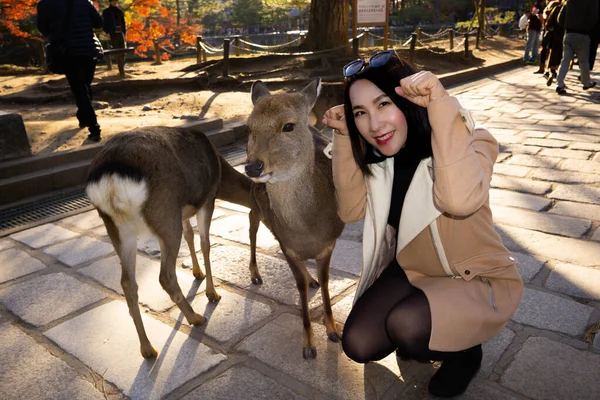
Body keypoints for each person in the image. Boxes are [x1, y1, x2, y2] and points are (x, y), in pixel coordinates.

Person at [322, 51, 523, 398]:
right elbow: (350, 211)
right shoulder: (381, 160)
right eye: (360, 113)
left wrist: (441, 106)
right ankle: (430, 328)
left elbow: (458, 201)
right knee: (358, 343)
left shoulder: (473, 141)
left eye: (383, 104)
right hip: (411, 269)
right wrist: (343, 138)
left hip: (471, 276)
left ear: (409, 99)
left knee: (407, 328)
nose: (374, 124)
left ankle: (464, 350)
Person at [37, 0, 103, 142]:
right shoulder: (84, 2)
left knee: (80, 90)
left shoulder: (45, 4)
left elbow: (42, 28)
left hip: (67, 52)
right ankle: (86, 119)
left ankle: (93, 126)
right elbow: (98, 23)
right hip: (88, 50)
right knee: (84, 87)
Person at [555, 0, 599, 95]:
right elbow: (594, 17)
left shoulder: (569, 2)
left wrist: (568, 25)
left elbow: (559, 19)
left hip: (569, 33)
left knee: (565, 60)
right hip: (583, 34)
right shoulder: (591, 2)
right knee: (583, 61)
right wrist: (586, 27)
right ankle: (586, 82)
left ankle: (559, 83)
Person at [102, 0, 127, 77]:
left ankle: (122, 67)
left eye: (116, 1)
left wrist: (124, 32)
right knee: (116, 51)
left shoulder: (119, 11)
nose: (115, 2)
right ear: (110, 2)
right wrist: (107, 32)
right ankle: (121, 70)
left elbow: (123, 22)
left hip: (120, 33)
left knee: (123, 50)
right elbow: (104, 23)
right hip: (113, 33)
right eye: (113, 1)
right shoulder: (106, 12)